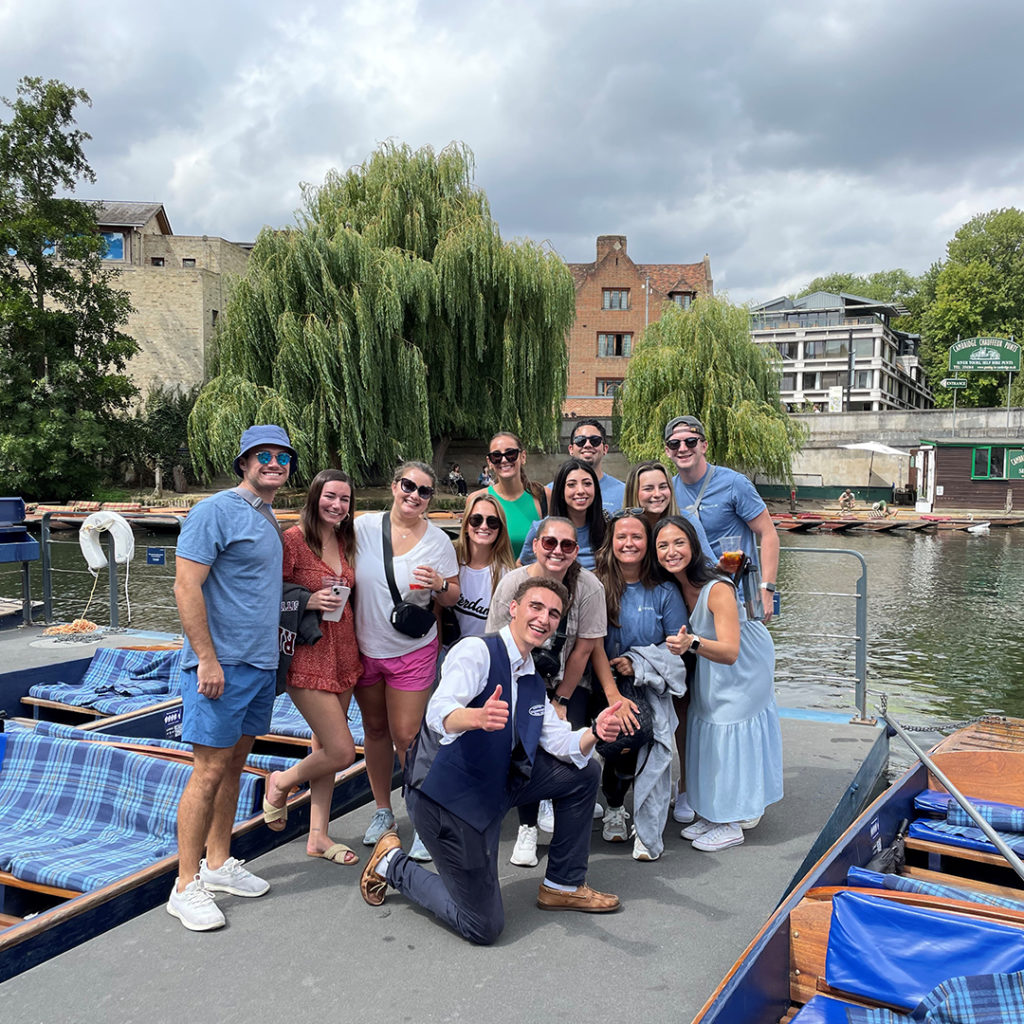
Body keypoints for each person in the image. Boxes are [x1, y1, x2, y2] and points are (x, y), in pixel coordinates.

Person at [358, 578, 624, 944]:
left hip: (496, 786)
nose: (544, 618)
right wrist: (475, 718)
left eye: (553, 614)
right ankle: (393, 864)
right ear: (513, 608)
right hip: (447, 799)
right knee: (482, 926)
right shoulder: (476, 652)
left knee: (584, 772)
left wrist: (595, 730)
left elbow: (561, 741)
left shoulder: (532, 677)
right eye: (536, 607)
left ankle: (562, 883)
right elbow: (439, 711)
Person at [167, 424, 295, 931]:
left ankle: (217, 862)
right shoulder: (215, 511)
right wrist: (207, 659)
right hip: (221, 666)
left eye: (282, 457)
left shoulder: (266, 517)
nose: (273, 464)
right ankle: (184, 885)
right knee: (208, 770)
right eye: (262, 455)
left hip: (259, 665)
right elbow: (185, 585)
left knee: (236, 763)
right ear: (243, 463)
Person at [655, 515, 783, 853]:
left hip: (743, 664)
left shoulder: (717, 587)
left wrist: (691, 643)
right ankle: (714, 813)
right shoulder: (672, 588)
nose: (671, 551)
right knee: (707, 730)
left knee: (729, 732)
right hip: (711, 665)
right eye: (663, 545)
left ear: (694, 546)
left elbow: (730, 651)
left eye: (679, 543)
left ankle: (731, 822)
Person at [353, 461, 460, 862]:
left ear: (431, 498)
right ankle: (384, 812)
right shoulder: (364, 527)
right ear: (393, 485)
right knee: (375, 730)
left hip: (413, 650)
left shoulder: (438, 541)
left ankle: (422, 816)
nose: (414, 495)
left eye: (424, 491)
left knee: (408, 735)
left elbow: (452, 596)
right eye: (408, 485)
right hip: (366, 647)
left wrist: (439, 585)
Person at [487, 516, 608, 867]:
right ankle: (526, 825)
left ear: (576, 551)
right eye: (550, 543)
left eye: (567, 545)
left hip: (568, 680)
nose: (557, 551)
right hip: (518, 677)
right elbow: (498, 642)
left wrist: (560, 699)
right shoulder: (513, 583)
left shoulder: (589, 588)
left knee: (564, 730)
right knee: (524, 737)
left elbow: (585, 647)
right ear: (536, 545)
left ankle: (556, 807)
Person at [262, 469, 362, 866]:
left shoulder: (345, 540)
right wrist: (307, 601)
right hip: (308, 654)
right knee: (340, 750)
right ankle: (281, 781)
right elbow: (269, 592)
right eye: (330, 496)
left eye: (345, 500)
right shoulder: (292, 540)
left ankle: (318, 835)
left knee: (323, 745)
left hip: (345, 652)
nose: (337, 505)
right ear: (315, 496)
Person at [592, 511, 687, 861]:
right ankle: (606, 799)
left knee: (633, 731)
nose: (629, 544)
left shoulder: (664, 591)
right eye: (622, 537)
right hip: (596, 679)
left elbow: (674, 647)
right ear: (611, 542)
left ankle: (625, 808)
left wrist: (638, 662)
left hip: (642, 683)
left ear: (647, 544)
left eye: (637, 537)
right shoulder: (595, 583)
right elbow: (585, 639)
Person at [664, 415, 779, 625]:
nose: (682, 448)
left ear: (704, 446)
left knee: (743, 656)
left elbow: (768, 533)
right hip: (694, 598)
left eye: (691, 442)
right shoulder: (667, 490)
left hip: (740, 596)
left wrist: (767, 589)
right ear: (667, 450)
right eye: (674, 444)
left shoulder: (734, 483)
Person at [518, 458, 607, 569]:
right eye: (571, 485)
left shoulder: (608, 527)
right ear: (561, 490)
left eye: (587, 484)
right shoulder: (540, 529)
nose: (580, 491)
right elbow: (522, 566)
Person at [467, 431, 546, 555]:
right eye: (496, 456)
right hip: (493, 574)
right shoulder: (476, 499)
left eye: (511, 454)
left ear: (523, 457)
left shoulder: (543, 497)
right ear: (490, 462)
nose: (504, 460)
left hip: (530, 574)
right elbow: (469, 549)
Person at [452, 492, 515, 639]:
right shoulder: (450, 560)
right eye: (476, 520)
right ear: (466, 525)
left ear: (500, 529)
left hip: (485, 655)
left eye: (492, 521)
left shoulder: (507, 576)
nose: (484, 526)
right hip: (447, 653)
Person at [547, 418, 625, 514]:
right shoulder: (550, 492)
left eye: (595, 440)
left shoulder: (623, 492)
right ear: (571, 449)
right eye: (580, 440)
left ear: (605, 449)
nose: (587, 445)